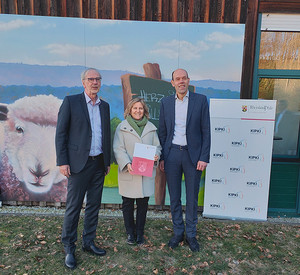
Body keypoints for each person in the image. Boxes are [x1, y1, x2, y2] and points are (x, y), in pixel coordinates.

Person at [55, 68, 111, 269]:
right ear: (83, 82)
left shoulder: (104, 106)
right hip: (78, 164)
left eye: (97, 79)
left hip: (98, 163)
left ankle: (88, 242)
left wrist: (107, 162)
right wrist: (63, 161)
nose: (94, 82)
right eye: (91, 79)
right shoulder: (71, 102)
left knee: (94, 205)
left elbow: (106, 135)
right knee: (74, 207)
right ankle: (69, 246)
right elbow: (61, 133)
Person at [158, 69, 211, 252]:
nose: (181, 81)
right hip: (172, 155)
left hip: (193, 156)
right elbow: (162, 132)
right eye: (177, 79)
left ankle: (191, 234)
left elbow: (206, 131)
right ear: (172, 83)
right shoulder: (165, 103)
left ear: (188, 80)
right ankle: (178, 232)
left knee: (192, 197)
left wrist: (204, 157)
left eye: (183, 78)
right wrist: (164, 157)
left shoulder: (201, 100)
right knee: (174, 197)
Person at [113, 98, 161, 245]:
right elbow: (118, 148)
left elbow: (157, 147)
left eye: (140, 108)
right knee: (127, 204)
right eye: (135, 108)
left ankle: (140, 233)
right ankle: (130, 233)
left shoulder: (151, 128)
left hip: (145, 174)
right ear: (130, 110)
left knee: (143, 205)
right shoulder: (122, 127)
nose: (138, 111)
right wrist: (126, 163)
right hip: (129, 172)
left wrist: (156, 156)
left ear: (144, 110)